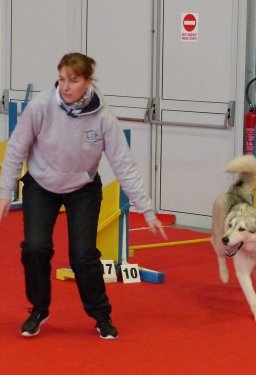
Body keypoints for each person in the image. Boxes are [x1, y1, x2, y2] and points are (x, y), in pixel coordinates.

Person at [0, 52, 166, 339]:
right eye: (62, 79)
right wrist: (5, 191)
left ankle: (101, 315)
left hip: (83, 188)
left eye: (73, 80)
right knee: (35, 248)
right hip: (41, 183)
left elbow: (123, 164)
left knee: (83, 256)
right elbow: (16, 148)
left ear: (88, 82)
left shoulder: (103, 118)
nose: (65, 86)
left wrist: (146, 210)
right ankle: (39, 309)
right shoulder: (41, 106)